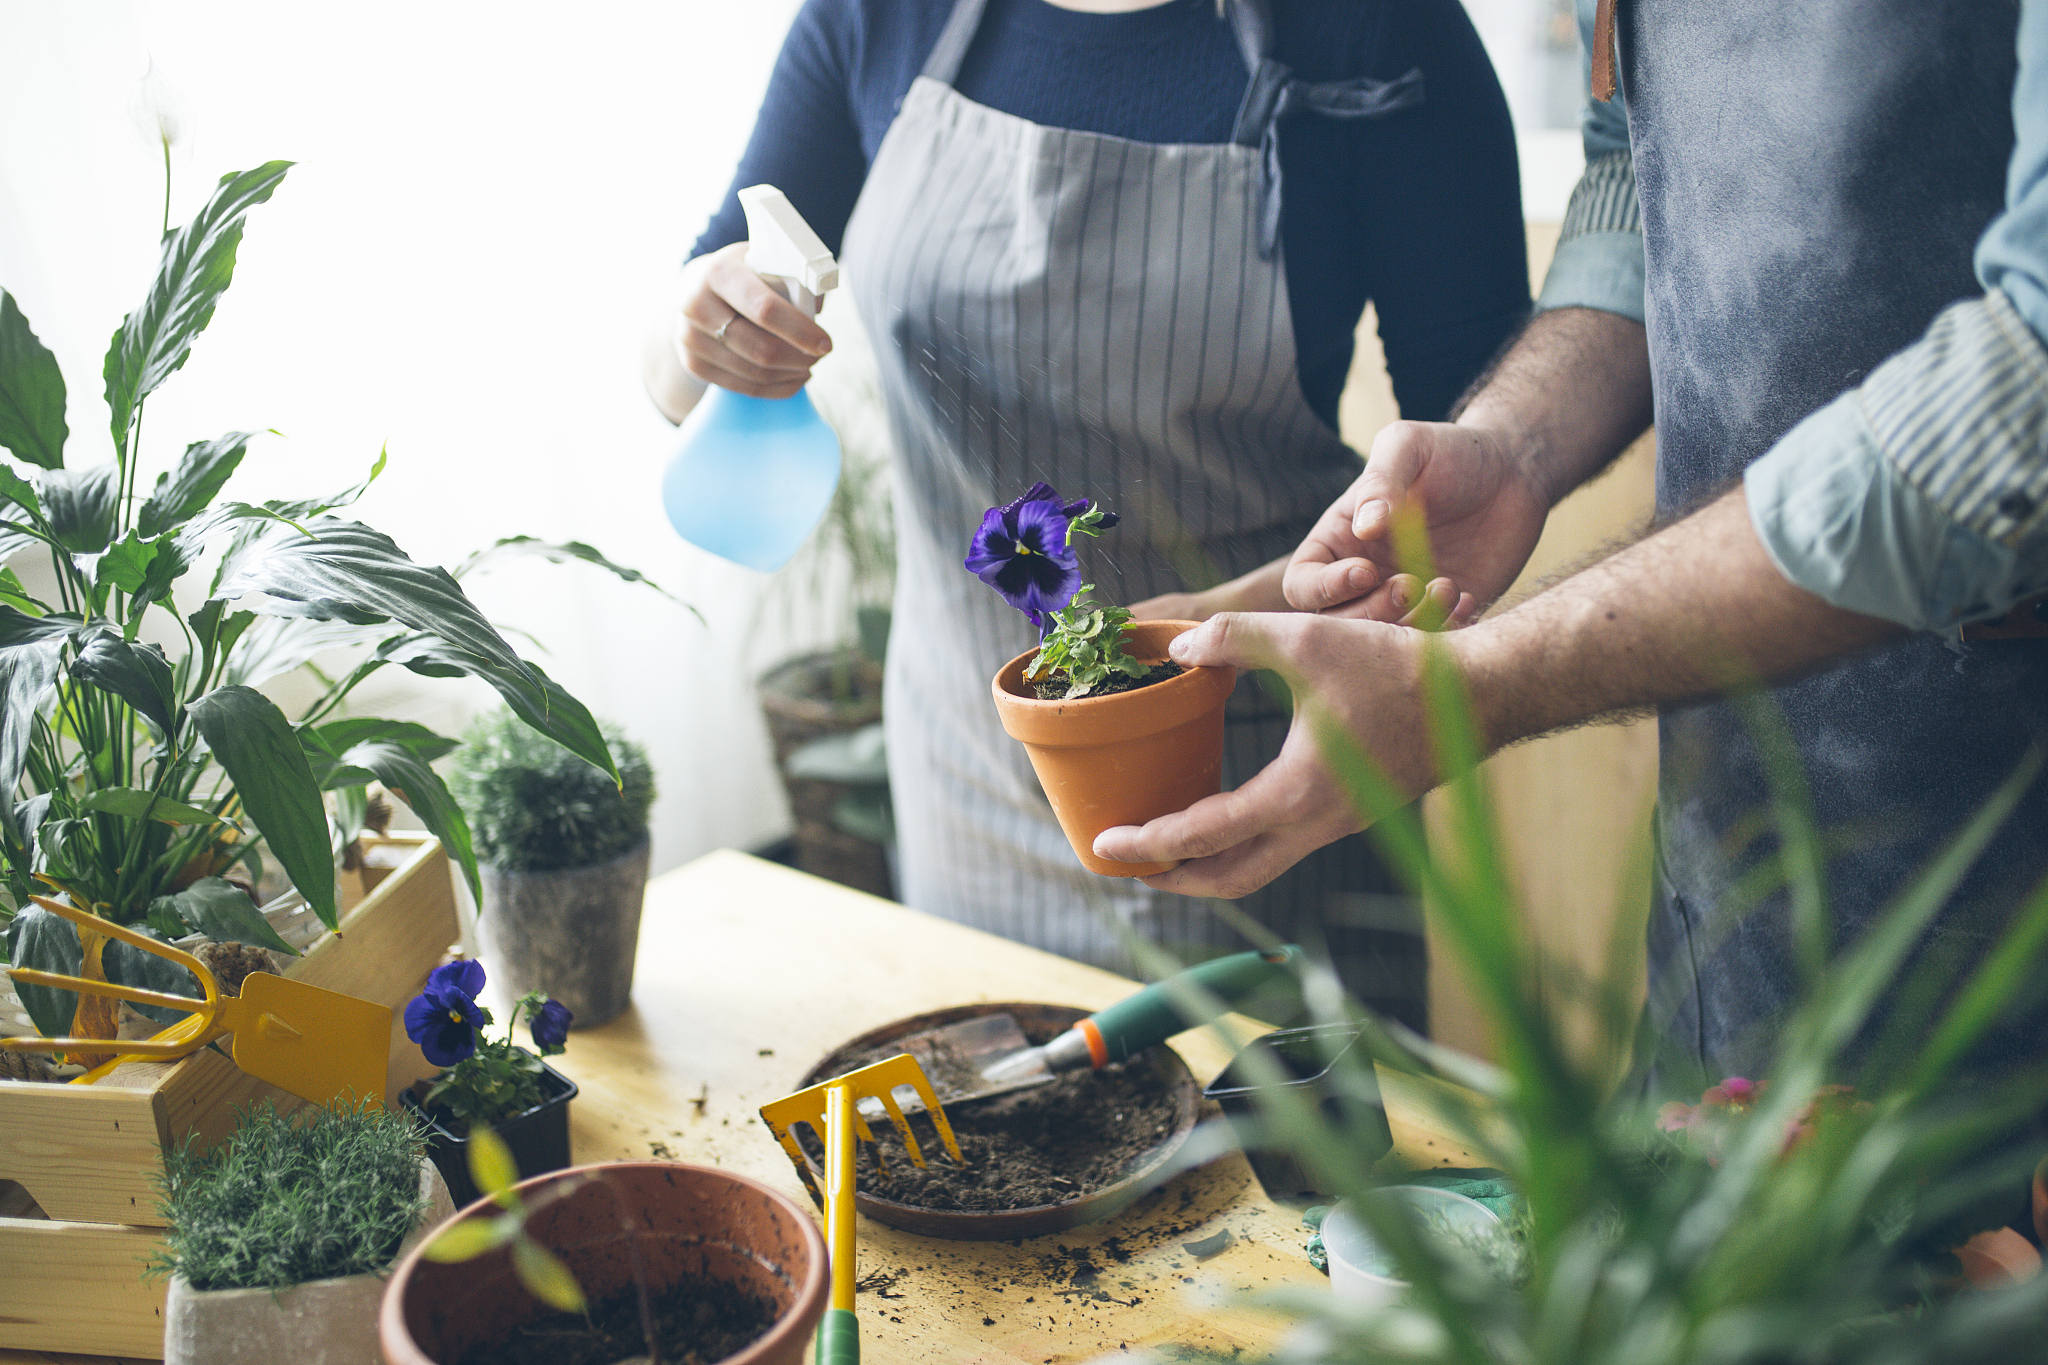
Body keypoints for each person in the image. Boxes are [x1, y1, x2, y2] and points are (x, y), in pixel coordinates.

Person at [1096, 0, 2048, 1092]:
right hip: (1726, 832)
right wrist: (1513, 441)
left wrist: (1481, 683)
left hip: (1992, 844)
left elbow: (2014, 395)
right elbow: (1634, 182)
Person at [643, 0, 1527, 1029]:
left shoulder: (1372, 28)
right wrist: (698, 321)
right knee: (1001, 1132)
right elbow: (678, 370)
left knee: (1279, 1171)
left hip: (1258, 771)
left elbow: (1468, 476)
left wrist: (1226, 618)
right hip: (964, 769)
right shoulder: (879, 15)